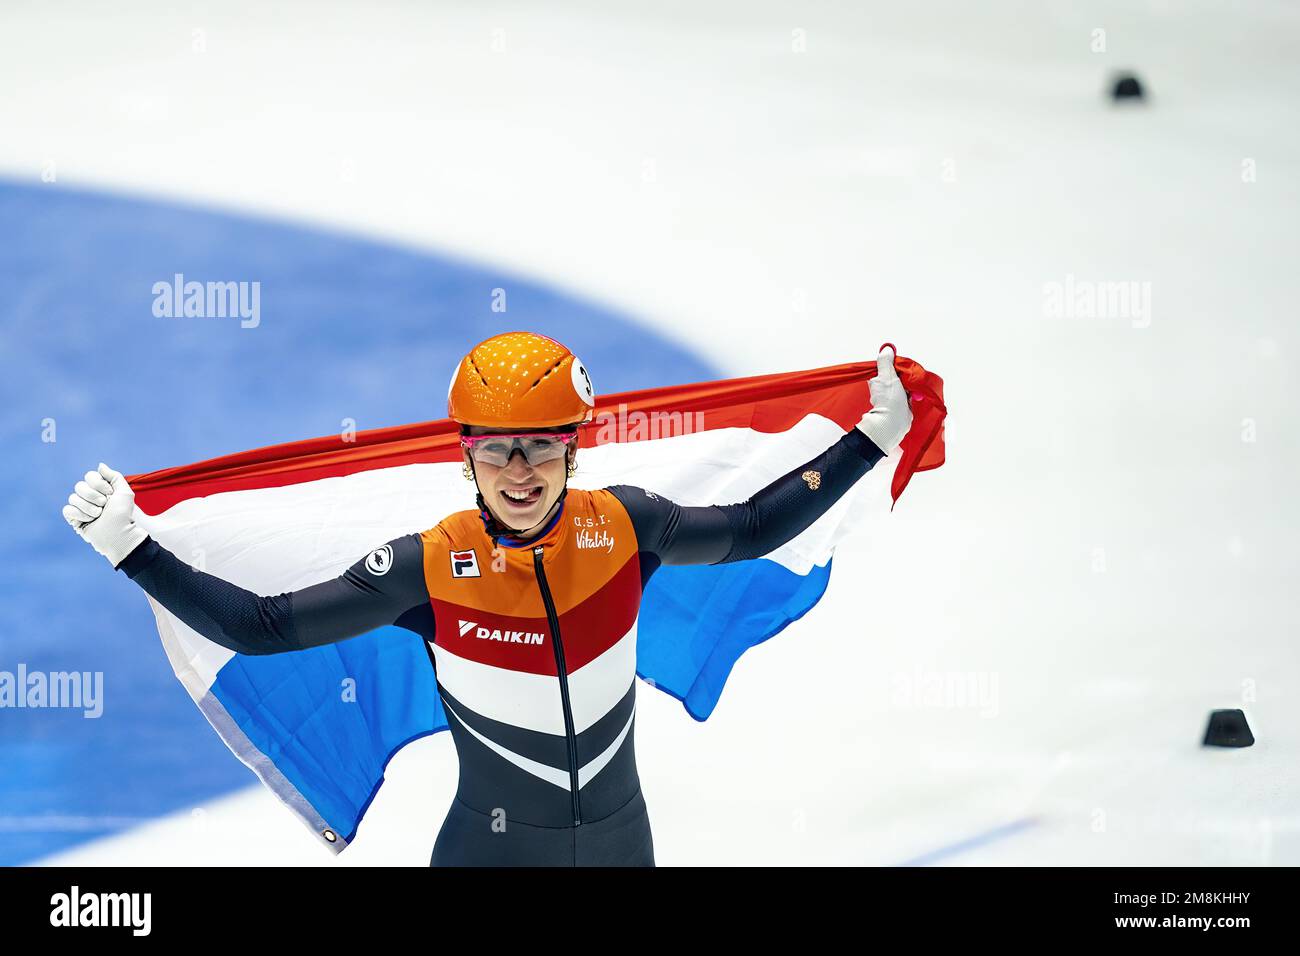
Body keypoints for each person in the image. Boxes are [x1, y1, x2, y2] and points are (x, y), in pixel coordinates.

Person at [62, 330, 912, 866]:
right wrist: (133, 549)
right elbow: (260, 626)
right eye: (497, 451)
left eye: (540, 449)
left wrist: (869, 440)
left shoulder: (626, 527)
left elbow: (756, 523)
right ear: (465, 457)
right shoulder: (423, 568)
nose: (518, 473)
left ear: (573, 453)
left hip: (625, 847)